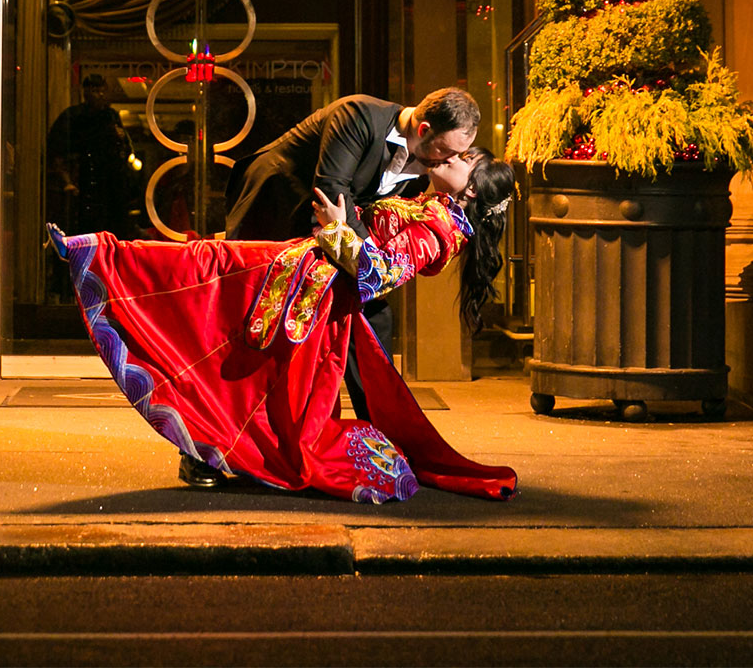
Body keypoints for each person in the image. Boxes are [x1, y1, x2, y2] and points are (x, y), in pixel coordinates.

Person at [48, 148, 518, 503]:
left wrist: (337, 225)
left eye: (464, 158)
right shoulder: (428, 204)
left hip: (311, 294)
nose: (452, 155)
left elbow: (377, 274)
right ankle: (99, 254)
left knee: (206, 278)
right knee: (207, 282)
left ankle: (100, 254)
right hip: (299, 277)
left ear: (471, 189)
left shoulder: (440, 229)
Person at [214, 87, 481, 484]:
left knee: (372, 321)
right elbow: (331, 190)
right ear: (423, 128)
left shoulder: (425, 167)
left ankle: (384, 443)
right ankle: (210, 452)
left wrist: (372, 262)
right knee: (257, 339)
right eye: (444, 153)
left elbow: (364, 216)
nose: (448, 162)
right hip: (279, 211)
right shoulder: (357, 114)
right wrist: (370, 260)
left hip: (335, 239)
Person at [45, 73, 138, 239]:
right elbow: (57, 150)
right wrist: (67, 181)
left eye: (103, 90)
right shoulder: (74, 116)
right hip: (83, 182)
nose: (100, 95)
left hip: (109, 184)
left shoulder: (111, 116)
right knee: (84, 231)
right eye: (95, 90)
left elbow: (123, 146)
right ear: (85, 92)